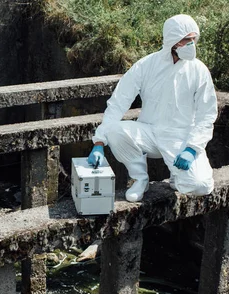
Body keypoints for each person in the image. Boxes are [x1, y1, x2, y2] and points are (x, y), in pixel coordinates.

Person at [88, 14, 218, 202]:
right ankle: (140, 179)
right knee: (115, 131)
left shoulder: (198, 70)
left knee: (201, 185)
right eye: (186, 40)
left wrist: (192, 148)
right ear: (172, 41)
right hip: (149, 132)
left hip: (180, 138)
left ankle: (177, 177)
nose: (191, 45)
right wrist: (99, 143)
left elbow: (207, 114)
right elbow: (118, 102)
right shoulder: (146, 65)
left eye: (193, 39)